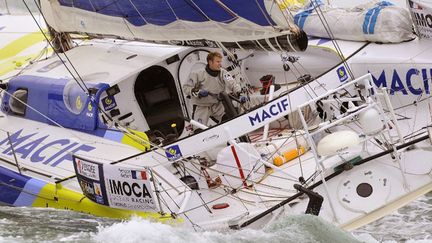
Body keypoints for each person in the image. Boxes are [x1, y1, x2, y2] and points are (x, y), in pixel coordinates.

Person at [183, 51, 247, 128]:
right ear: (210, 62)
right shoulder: (196, 74)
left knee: (229, 120)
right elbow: (186, 88)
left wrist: (240, 93)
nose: (220, 64)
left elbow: (232, 83)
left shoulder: (223, 72)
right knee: (198, 129)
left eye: (220, 62)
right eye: (217, 62)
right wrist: (198, 92)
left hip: (217, 105)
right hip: (201, 106)